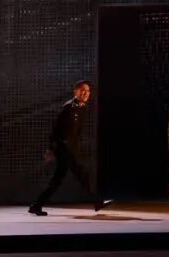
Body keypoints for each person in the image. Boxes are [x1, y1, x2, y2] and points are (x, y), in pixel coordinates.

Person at [29, 80, 112, 215]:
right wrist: (51, 149)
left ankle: (36, 205)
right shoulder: (69, 106)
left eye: (87, 91)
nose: (85, 93)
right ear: (75, 91)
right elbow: (56, 128)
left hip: (71, 148)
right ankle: (97, 202)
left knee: (63, 178)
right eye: (82, 90)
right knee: (79, 175)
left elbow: (76, 132)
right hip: (65, 148)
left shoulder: (81, 107)